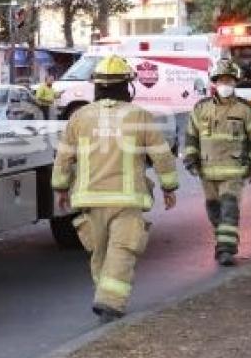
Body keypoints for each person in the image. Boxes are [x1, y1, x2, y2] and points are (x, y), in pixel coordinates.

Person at [52, 55, 179, 323]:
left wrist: (60, 188)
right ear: (127, 87)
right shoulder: (140, 116)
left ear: (97, 86)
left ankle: (106, 298)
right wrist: (169, 186)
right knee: (121, 250)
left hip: (89, 200)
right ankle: (110, 302)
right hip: (127, 200)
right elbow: (162, 156)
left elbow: (63, 157)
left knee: (100, 253)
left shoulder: (79, 117)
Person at [183, 59, 251, 267]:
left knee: (229, 208)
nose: (225, 84)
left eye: (229, 80)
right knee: (214, 211)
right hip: (207, 172)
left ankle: (226, 251)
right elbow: (191, 136)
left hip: (233, 171)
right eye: (222, 80)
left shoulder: (246, 110)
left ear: (235, 82)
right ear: (215, 82)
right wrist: (191, 159)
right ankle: (222, 243)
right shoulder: (201, 108)